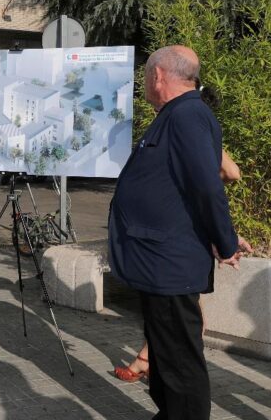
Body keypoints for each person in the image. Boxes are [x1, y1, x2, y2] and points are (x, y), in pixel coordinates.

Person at [108, 45, 252, 419]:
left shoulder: (186, 115)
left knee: (180, 362)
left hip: (169, 263)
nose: (143, 84)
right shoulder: (176, 114)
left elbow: (206, 186)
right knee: (167, 354)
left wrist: (224, 240)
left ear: (158, 75)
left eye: (145, 77)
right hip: (161, 261)